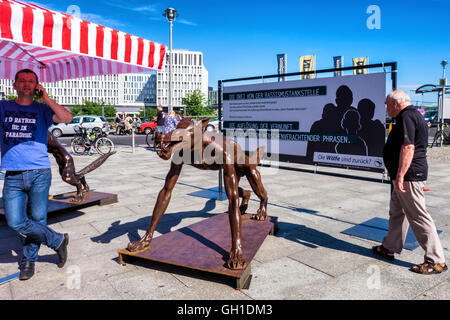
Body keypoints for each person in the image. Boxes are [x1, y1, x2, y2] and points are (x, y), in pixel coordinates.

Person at [0, 69, 73, 280]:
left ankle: (28, 261)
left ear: (36, 86)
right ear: (14, 85)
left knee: (38, 219)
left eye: (31, 81)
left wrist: (47, 98)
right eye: (21, 80)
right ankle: (57, 239)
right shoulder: (4, 106)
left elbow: (66, 117)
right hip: (13, 174)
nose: (26, 84)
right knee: (15, 222)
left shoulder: (42, 109)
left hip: (40, 172)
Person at [372, 90, 447, 275]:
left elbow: (408, 147)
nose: (385, 107)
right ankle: (389, 247)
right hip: (406, 175)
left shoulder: (407, 116)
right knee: (397, 212)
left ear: (396, 104)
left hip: (409, 176)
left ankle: (436, 260)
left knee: (418, 216)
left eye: (387, 103)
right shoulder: (411, 115)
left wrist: (400, 176)